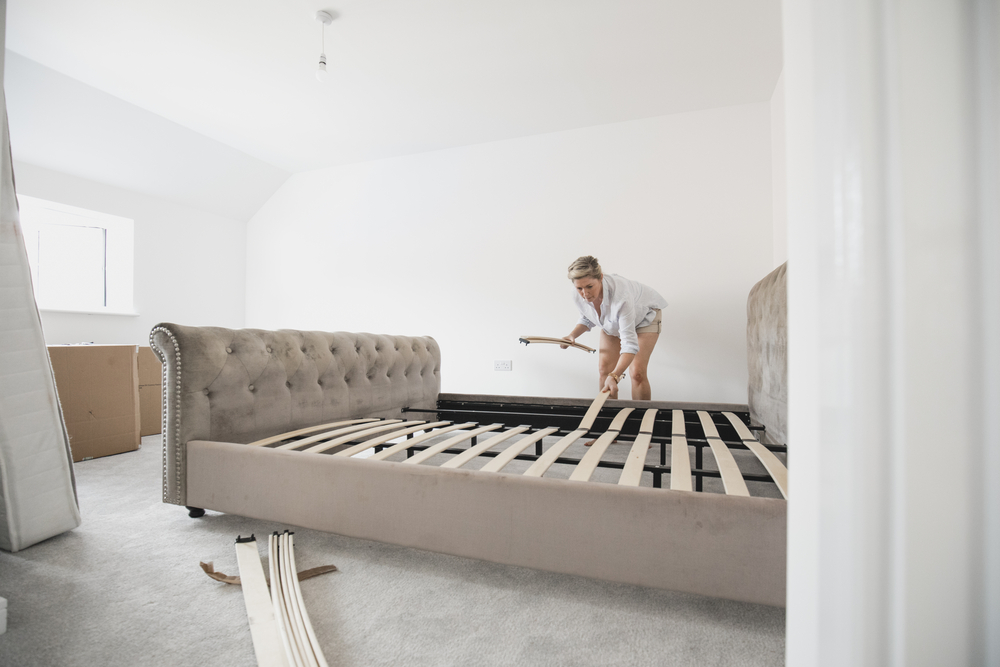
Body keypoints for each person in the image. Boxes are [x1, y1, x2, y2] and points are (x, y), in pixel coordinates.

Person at [561, 256, 667, 400]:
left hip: (645, 316)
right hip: (614, 321)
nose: (585, 293)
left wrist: (615, 376)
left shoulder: (621, 296)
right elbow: (587, 318)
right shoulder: (577, 294)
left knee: (637, 373)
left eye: (590, 287)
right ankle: (608, 419)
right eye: (579, 288)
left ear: (601, 278)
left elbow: (629, 344)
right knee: (604, 370)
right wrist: (572, 335)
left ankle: (641, 419)